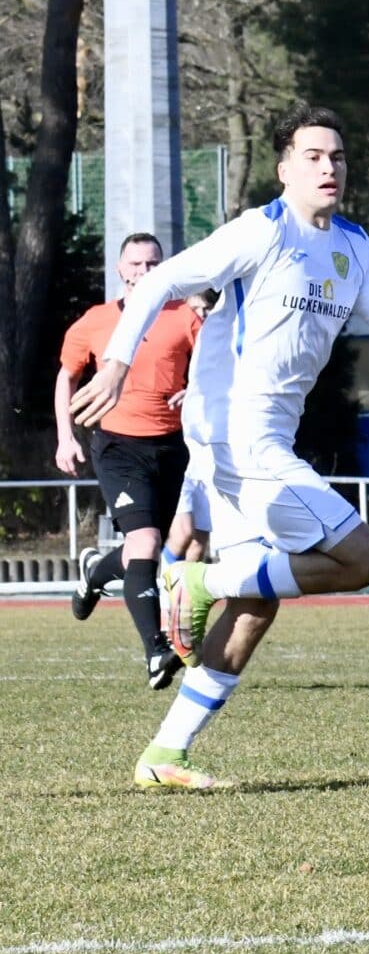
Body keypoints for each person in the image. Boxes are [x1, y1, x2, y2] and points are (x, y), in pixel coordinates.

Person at [69, 104, 369, 791]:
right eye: (313, 156)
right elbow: (165, 281)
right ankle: (199, 579)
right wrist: (114, 365)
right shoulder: (262, 231)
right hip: (236, 436)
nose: (328, 167)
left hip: (254, 440)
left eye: (338, 157)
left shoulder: (354, 247)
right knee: (363, 558)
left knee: (259, 602)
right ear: (285, 167)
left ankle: (166, 754)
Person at [53, 233, 202, 690]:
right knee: (148, 541)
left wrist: (192, 391)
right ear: (121, 270)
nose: (144, 271)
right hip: (117, 445)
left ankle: (96, 571)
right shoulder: (95, 321)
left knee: (147, 548)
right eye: (135, 263)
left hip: (172, 446)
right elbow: (67, 375)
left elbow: (212, 368)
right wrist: (66, 437)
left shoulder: (185, 318)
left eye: (153, 263)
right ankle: (156, 652)